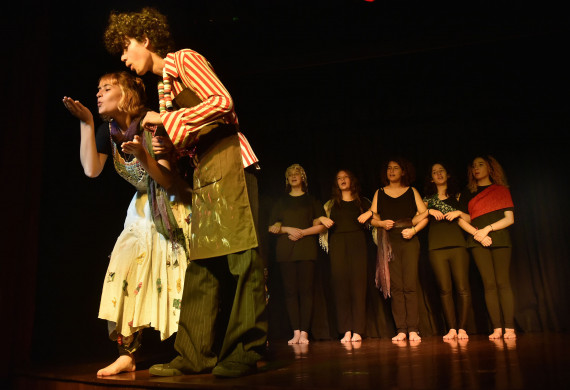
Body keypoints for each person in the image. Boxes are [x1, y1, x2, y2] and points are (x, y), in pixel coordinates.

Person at [103, 7, 267, 377]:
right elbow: (187, 131)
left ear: (146, 40)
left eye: (127, 48)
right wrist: (169, 149)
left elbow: (223, 102)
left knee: (243, 261)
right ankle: (194, 354)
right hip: (204, 173)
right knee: (202, 265)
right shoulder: (165, 91)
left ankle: (245, 350)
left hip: (232, 163)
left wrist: (167, 121)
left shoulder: (184, 60)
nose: (125, 59)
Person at [63, 71, 191, 376]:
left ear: (128, 95)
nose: (98, 93)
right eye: (98, 88)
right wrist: (86, 123)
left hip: (174, 204)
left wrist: (144, 156)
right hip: (142, 207)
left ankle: (192, 348)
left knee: (179, 275)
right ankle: (127, 352)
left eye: (107, 88)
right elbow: (92, 170)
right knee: (123, 269)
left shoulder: (151, 122)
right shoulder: (108, 130)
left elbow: (168, 181)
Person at [358, 158, 428, 342]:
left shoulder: (411, 191)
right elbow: (373, 217)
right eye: (389, 168)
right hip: (390, 242)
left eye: (396, 168)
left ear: (403, 171)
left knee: (410, 285)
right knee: (396, 286)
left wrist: (413, 229)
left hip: (409, 239)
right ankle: (401, 329)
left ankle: (413, 328)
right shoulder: (379, 193)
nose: (392, 171)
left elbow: (424, 214)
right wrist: (381, 223)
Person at [415, 162, 474, 340]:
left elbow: (470, 219)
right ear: (431, 178)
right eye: (435, 172)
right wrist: (429, 211)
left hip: (458, 245)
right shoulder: (427, 199)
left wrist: (458, 214)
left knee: (463, 288)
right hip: (436, 248)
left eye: (441, 170)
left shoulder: (458, 196)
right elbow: (414, 219)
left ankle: (462, 328)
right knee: (444, 290)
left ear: (447, 174)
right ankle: (451, 328)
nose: (438, 173)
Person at [458, 155, 516, 340]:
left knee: (502, 283)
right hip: (477, 241)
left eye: (480, 165)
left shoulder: (501, 190)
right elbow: (463, 219)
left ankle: (509, 327)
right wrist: (478, 235)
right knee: (489, 284)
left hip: (499, 238)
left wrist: (487, 230)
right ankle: (497, 327)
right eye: (474, 165)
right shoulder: (468, 192)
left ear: (490, 168)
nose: (476, 168)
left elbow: (509, 219)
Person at [268, 164, 326, 344]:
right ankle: (296, 332)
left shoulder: (311, 201)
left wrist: (303, 232)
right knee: (291, 292)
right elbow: (271, 227)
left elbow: (321, 225)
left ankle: (305, 332)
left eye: (297, 174)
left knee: (306, 292)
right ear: (287, 179)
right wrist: (287, 229)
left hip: (306, 248)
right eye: (290, 174)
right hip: (286, 251)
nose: (293, 176)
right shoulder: (281, 201)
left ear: (303, 178)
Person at [319, 170, 371, 343]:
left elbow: (377, 215)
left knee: (358, 286)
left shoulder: (362, 202)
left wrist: (370, 213)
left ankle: (358, 330)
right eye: (338, 178)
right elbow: (317, 222)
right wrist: (321, 218)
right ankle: (345, 330)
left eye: (345, 177)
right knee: (341, 287)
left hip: (358, 243)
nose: (342, 180)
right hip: (338, 244)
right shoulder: (331, 204)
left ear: (351, 179)